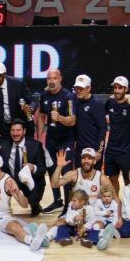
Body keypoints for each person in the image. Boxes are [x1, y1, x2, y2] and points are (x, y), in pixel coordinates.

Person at [0, 154, 47, 251]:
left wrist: (17, 193)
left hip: (0, 216)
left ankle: (31, 241)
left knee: (15, 227)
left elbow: (24, 205)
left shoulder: (8, 181)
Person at [0, 119, 46, 216]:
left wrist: (33, 167)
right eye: (12, 130)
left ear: (24, 131)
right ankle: (1, 208)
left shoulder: (35, 145)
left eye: (18, 130)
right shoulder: (3, 144)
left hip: (27, 180)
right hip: (9, 179)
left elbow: (42, 169)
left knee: (34, 198)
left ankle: (35, 205)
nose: (15, 133)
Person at [38, 69, 76, 213]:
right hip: (51, 140)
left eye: (54, 78)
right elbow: (41, 117)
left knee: (66, 172)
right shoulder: (44, 95)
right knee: (52, 170)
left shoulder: (68, 96)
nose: (52, 81)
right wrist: (38, 138)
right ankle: (57, 201)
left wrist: (59, 118)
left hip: (66, 140)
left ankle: (68, 206)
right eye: (49, 78)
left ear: (60, 79)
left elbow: (72, 121)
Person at [104, 76, 130, 197]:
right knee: (112, 178)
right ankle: (117, 203)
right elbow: (100, 115)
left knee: (129, 180)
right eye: (115, 88)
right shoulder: (110, 102)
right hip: (111, 149)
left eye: (120, 88)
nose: (116, 90)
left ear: (126, 89)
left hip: (127, 150)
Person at [51, 148, 117, 219]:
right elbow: (54, 184)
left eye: (89, 158)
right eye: (83, 158)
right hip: (76, 213)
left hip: (96, 215)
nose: (86, 161)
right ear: (80, 160)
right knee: (58, 224)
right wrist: (59, 167)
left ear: (94, 161)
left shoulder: (102, 178)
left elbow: (116, 199)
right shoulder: (74, 174)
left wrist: (118, 217)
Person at [0, 62, 36, 138]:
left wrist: (30, 109)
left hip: (16, 123)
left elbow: (32, 101)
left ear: (4, 75)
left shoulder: (18, 84)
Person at [72, 74, 107, 168]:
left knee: (94, 180)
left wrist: (99, 151)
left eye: (81, 88)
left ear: (88, 88)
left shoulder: (97, 104)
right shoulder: (75, 101)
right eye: (77, 88)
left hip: (93, 149)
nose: (78, 91)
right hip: (79, 149)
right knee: (79, 179)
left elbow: (103, 128)